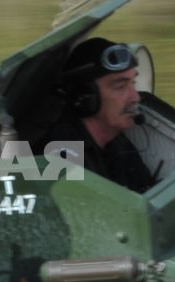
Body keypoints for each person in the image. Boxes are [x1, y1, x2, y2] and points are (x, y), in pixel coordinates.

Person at [48, 37, 157, 193]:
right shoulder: (62, 156)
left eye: (133, 83)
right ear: (85, 97)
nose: (135, 98)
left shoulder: (117, 143)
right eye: (120, 86)